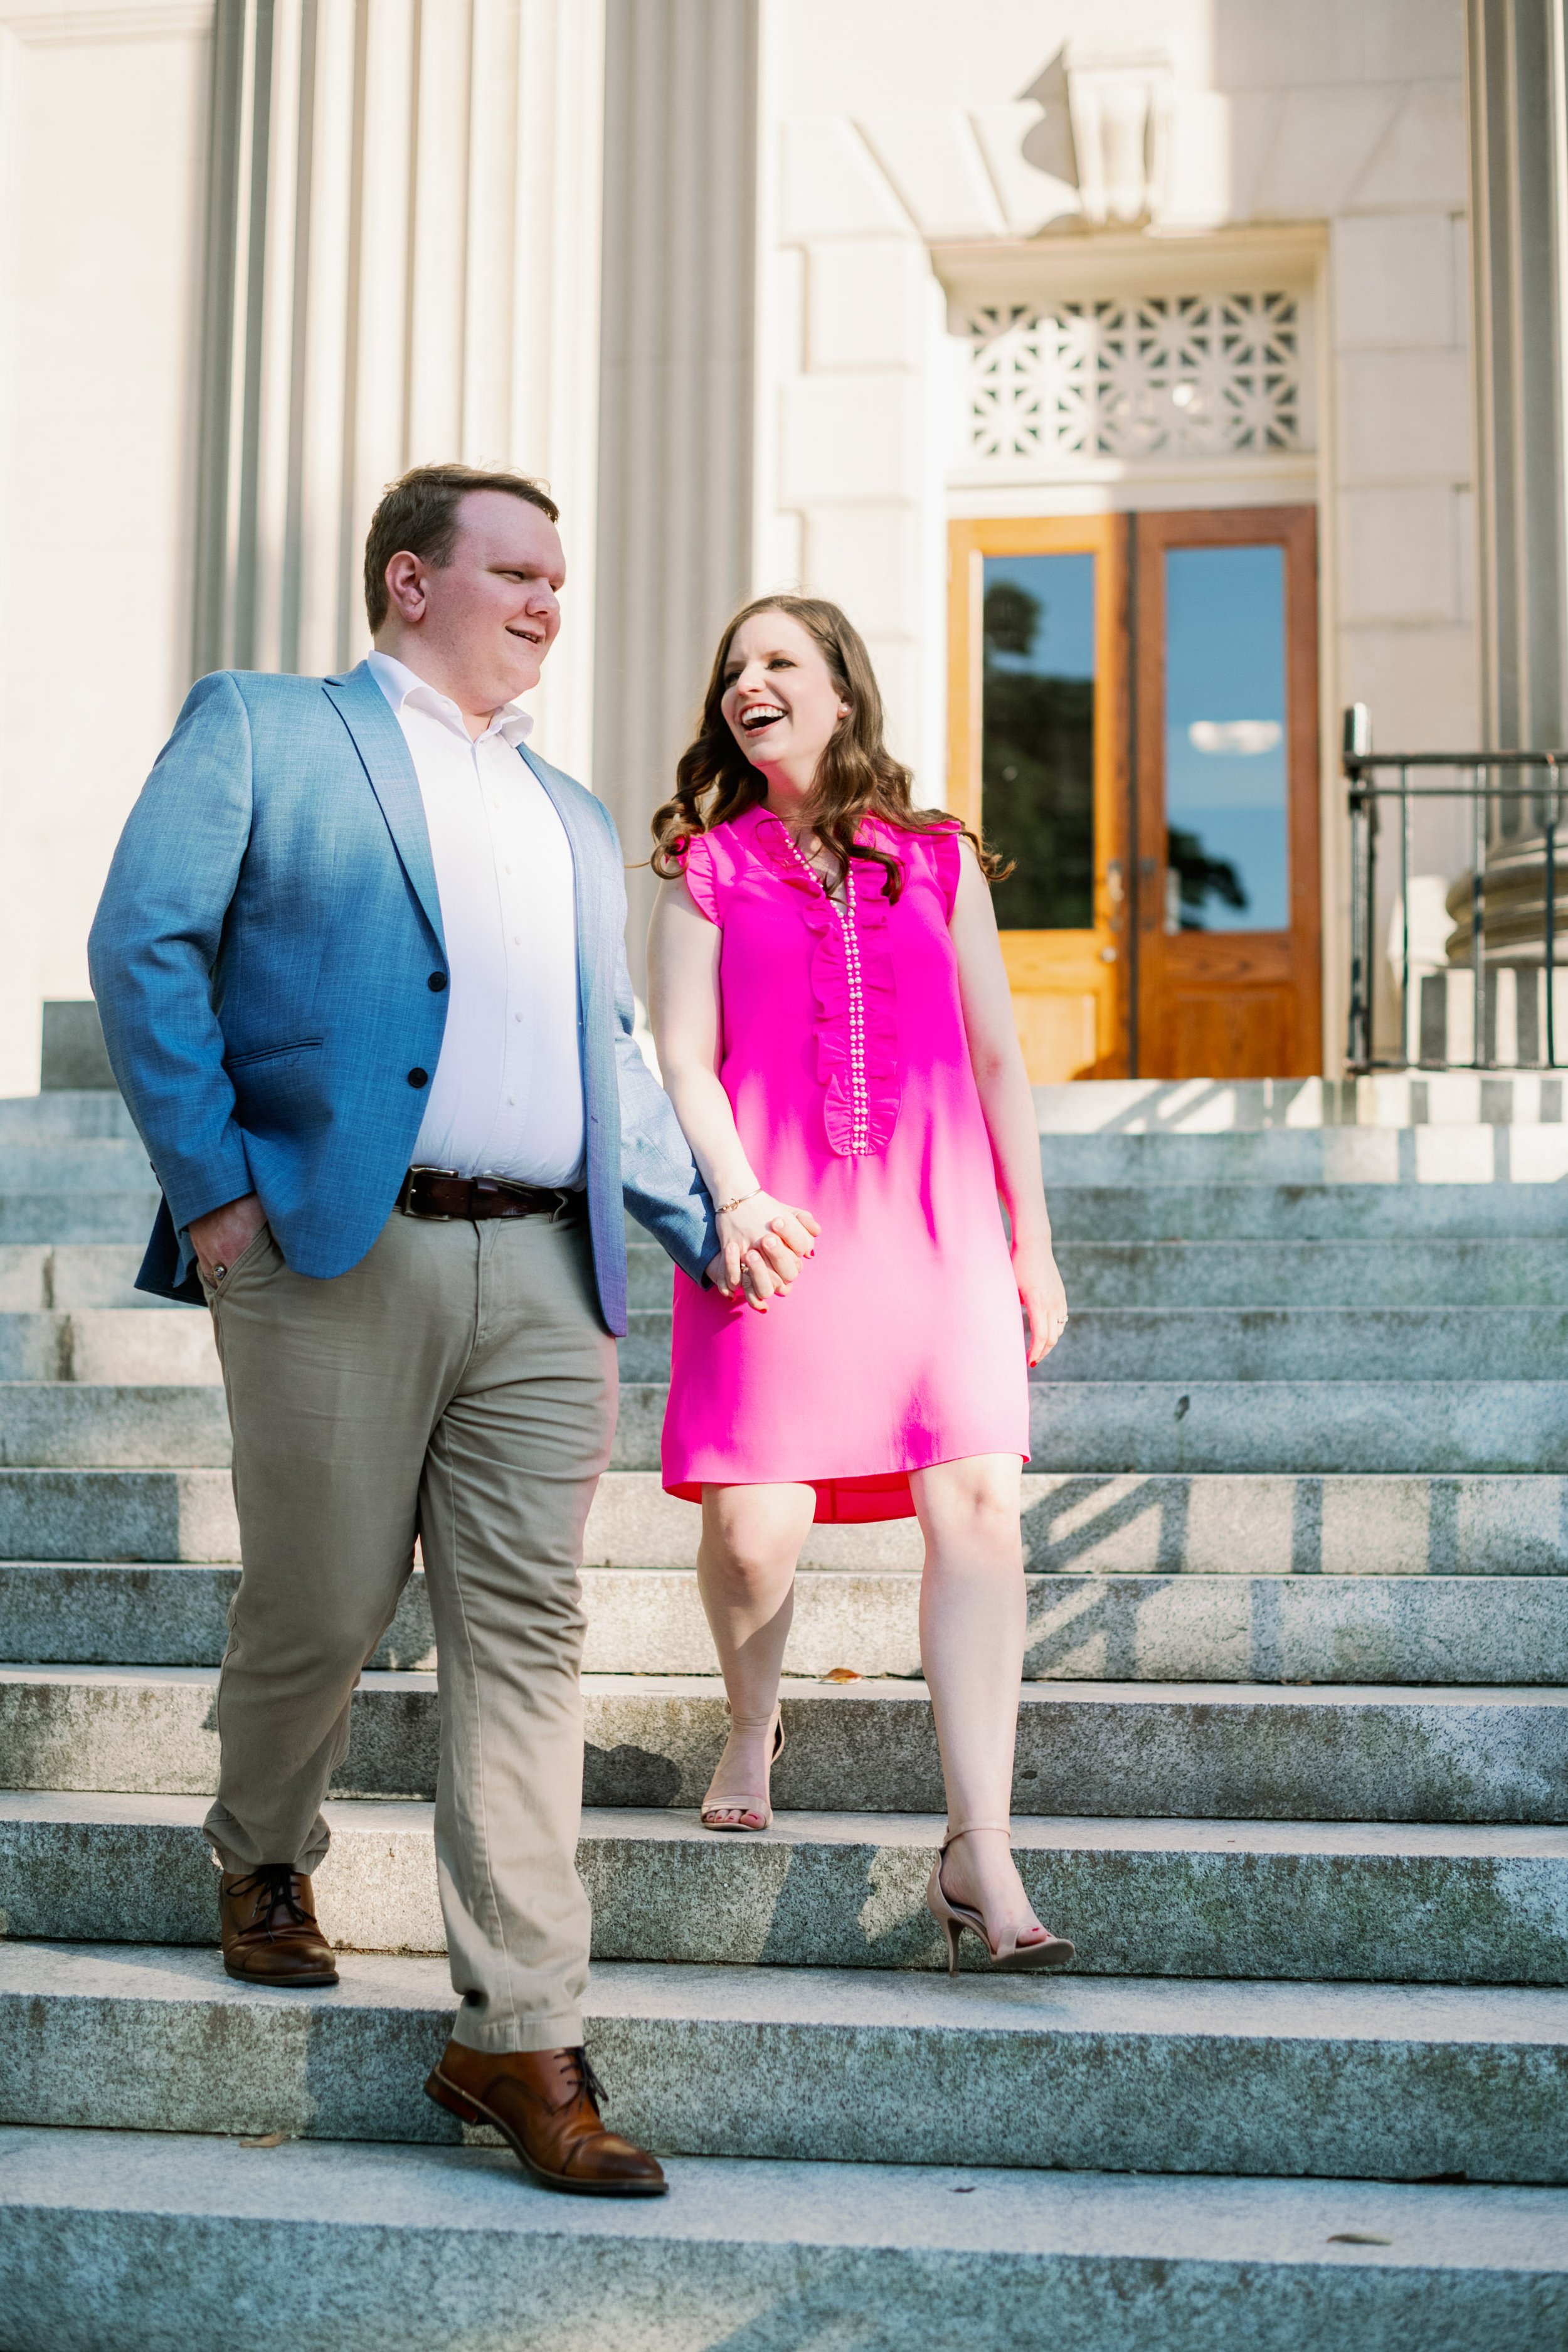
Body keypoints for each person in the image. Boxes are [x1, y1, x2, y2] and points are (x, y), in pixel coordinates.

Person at [88, 462, 810, 2196]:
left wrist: (709, 1222)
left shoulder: (569, 814)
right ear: (411, 582)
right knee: (323, 1598)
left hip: (544, 1280)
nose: (551, 600)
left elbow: (611, 1058)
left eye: (562, 575)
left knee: (526, 1641)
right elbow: (143, 943)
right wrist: (217, 1198)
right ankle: (263, 1848)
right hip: (336, 1250)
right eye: (516, 571)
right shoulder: (265, 728)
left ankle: (519, 2026)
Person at [646, 595, 1076, 1973]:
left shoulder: (941, 859)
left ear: (842, 692)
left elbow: (1000, 1061)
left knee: (977, 1507)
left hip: (940, 1230)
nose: (745, 684)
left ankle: (981, 1851)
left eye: (777, 662)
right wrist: (732, 1198)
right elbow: (679, 1061)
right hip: (769, 1227)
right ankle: (750, 1710)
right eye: (731, 670)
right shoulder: (702, 867)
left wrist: (1031, 1241)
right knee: (753, 1538)